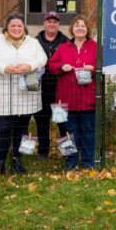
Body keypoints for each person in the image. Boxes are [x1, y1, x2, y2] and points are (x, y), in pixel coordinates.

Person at [0, 13, 47, 174]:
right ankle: (0, 162)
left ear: (24, 27)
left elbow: (43, 59)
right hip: (3, 93)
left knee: (21, 128)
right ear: (7, 27)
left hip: (25, 94)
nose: (16, 28)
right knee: (3, 129)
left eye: (19, 25)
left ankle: (17, 160)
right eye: (13, 25)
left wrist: (30, 66)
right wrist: (4, 68)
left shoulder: (32, 42)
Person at [48, 15, 96, 170]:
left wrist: (93, 69)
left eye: (83, 25)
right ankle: (71, 162)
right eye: (77, 25)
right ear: (72, 29)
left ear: (88, 29)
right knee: (69, 132)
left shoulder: (96, 47)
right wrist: (62, 66)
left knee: (88, 132)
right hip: (66, 99)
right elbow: (52, 65)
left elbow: (103, 66)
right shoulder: (63, 48)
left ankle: (88, 163)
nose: (80, 28)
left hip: (88, 98)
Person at [34, 11, 69, 161]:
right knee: (42, 121)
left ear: (58, 24)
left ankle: (67, 150)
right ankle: (43, 151)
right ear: (44, 23)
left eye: (55, 21)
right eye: (49, 21)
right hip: (40, 88)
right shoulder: (35, 41)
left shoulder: (66, 41)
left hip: (60, 87)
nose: (52, 24)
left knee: (62, 121)